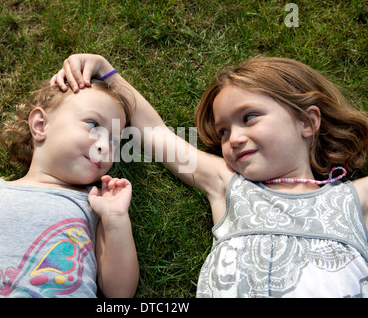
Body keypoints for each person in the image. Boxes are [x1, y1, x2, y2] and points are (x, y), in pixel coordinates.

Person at [51, 54, 368, 297]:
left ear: (307, 123)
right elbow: (156, 133)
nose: (235, 139)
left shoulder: (353, 201)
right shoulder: (230, 184)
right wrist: (105, 71)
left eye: (250, 117)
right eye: (224, 131)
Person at [0, 79, 139, 298]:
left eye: (113, 142)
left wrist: (116, 218)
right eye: (93, 125)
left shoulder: (97, 205)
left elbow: (119, 294)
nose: (103, 145)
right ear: (40, 125)